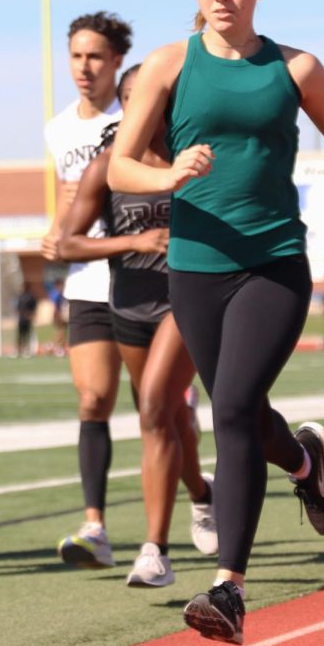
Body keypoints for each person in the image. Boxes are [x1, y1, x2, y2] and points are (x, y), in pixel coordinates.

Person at [108, 0, 324, 645]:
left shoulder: (295, 68)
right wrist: (168, 174)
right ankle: (305, 459)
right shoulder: (170, 65)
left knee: (228, 404)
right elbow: (119, 166)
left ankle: (228, 587)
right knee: (241, 410)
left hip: (272, 263)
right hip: (197, 268)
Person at [59, 63, 217, 588]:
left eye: (150, 97)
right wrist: (132, 242)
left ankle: (155, 552)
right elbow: (68, 244)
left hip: (184, 300)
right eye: (130, 99)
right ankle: (201, 493)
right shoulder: (107, 166)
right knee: (166, 417)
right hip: (128, 306)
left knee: (155, 406)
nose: (139, 107)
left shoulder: (189, 161)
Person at [42, 11, 131, 568]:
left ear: (117, 61)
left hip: (146, 275)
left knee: (162, 411)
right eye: (76, 56)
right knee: (93, 398)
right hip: (89, 283)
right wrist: (56, 231)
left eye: (95, 56)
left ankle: (201, 496)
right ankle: (95, 527)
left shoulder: (138, 115)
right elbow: (65, 195)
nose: (83, 67)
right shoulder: (58, 128)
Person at [46, 277, 68, 356]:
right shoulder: (56, 293)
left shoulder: (57, 293)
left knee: (62, 331)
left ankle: (57, 346)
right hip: (58, 315)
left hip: (59, 314)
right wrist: (58, 315)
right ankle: (52, 347)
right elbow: (55, 306)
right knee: (60, 331)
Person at [15, 282, 38, 357]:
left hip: (27, 318)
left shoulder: (31, 296)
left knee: (27, 335)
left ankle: (26, 350)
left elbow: (34, 307)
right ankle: (19, 350)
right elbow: (18, 307)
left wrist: (32, 315)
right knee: (20, 335)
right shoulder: (20, 296)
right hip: (21, 318)